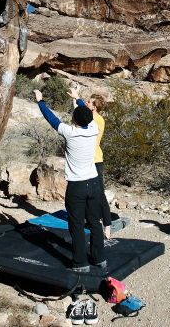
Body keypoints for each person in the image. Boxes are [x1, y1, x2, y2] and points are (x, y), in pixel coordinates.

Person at [33, 89, 105, 272]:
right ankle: (99, 259)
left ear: (74, 120)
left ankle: (81, 263)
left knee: (77, 224)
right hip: (94, 183)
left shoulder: (69, 132)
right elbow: (86, 114)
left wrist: (40, 101)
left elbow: (51, 119)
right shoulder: (94, 129)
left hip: (77, 186)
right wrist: (78, 99)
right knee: (95, 221)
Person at [69, 88, 113, 239]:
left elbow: (83, 112)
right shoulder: (89, 117)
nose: (86, 103)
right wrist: (75, 99)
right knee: (90, 193)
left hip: (95, 160)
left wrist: (78, 98)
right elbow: (78, 114)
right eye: (86, 101)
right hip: (88, 160)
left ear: (94, 107)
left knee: (99, 192)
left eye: (89, 102)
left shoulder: (97, 120)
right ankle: (93, 219)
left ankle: (107, 223)